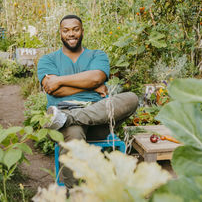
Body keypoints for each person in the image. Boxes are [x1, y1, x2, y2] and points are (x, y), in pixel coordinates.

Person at [37, 15, 139, 188]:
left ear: (82, 31)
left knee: (131, 98)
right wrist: (92, 86)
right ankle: (75, 193)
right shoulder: (48, 60)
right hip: (65, 117)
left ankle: (69, 118)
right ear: (60, 33)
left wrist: (61, 80)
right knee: (74, 138)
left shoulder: (97, 55)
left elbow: (96, 77)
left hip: (97, 119)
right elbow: (52, 88)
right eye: (66, 30)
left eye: (75, 29)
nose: (71, 34)